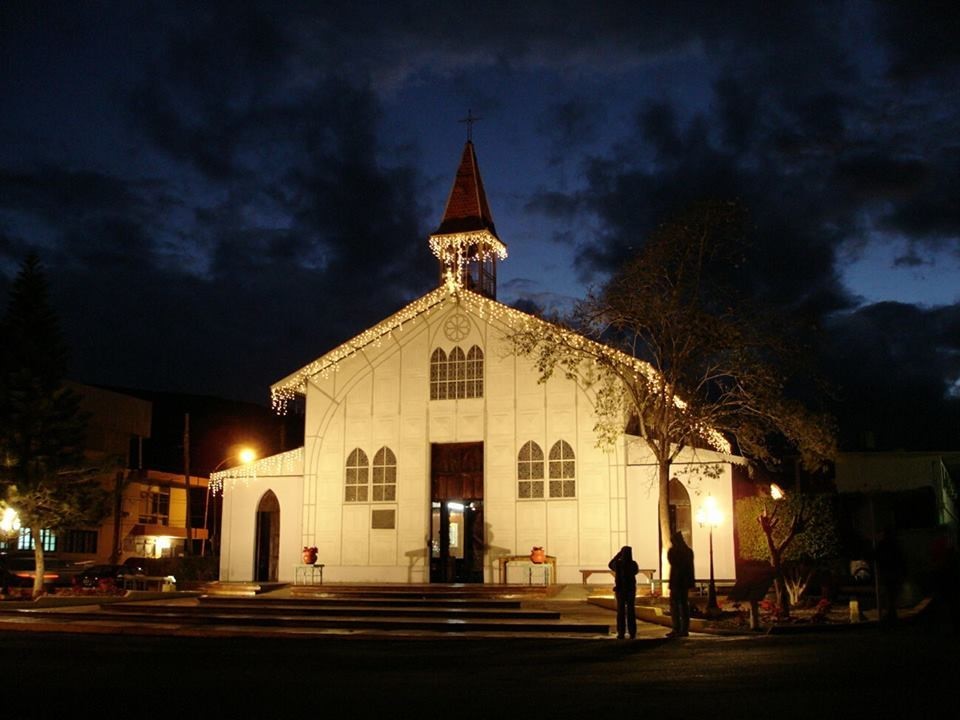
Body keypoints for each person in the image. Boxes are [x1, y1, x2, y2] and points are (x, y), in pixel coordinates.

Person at [667, 531, 695, 637]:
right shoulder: (688, 551)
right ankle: (683, 629)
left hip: (676, 582)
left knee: (675, 606)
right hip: (684, 582)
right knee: (683, 605)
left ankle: (677, 628)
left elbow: (673, 562)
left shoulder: (673, 551)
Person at [608, 545, 639, 639]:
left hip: (621, 590)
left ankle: (621, 632)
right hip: (630, 590)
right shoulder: (633, 564)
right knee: (631, 611)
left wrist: (618, 555)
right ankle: (632, 632)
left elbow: (610, 564)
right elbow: (635, 571)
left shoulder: (618, 564)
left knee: (621, 612)